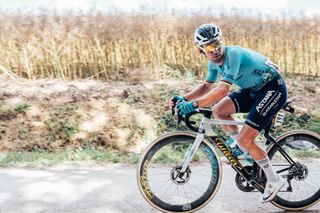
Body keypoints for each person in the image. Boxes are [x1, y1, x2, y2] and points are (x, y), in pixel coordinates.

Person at [171, 23, 287, 202]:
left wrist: (194, 105)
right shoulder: (213, 64)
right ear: (201, 49)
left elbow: (221, 91)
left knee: (245, 138)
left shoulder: (233, 54)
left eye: (217, 43)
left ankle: (274, 179)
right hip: (254, 89)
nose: (215, 49)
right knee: (219, 110)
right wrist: (184, 98)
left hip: (272, 88)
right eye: (209, 46)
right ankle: (246, 151)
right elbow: (206, 86)